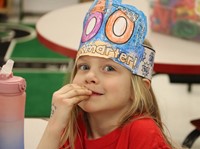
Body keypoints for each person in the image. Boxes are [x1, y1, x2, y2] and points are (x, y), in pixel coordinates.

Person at [37, 0, 182, 148]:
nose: (89, 76)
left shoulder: (143, 132)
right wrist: (54, 127)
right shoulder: (73, 124)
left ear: (138, 89)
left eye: (109, 69)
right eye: (84, 66)